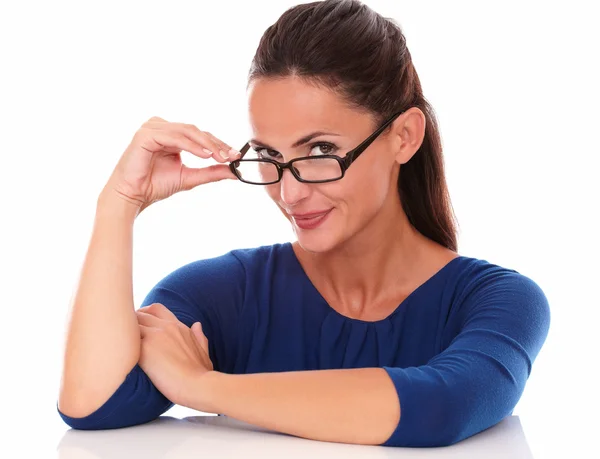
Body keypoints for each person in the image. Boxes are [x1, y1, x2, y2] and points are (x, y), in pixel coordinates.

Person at [56, 0, 550, 448]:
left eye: (321, 151)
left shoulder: (497, 301)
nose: (289, 193)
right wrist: (118, 204)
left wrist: (203, 387)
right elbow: (94, 403)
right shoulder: (227, 293)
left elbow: (441, 405)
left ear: (404, 137)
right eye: (270, 154)